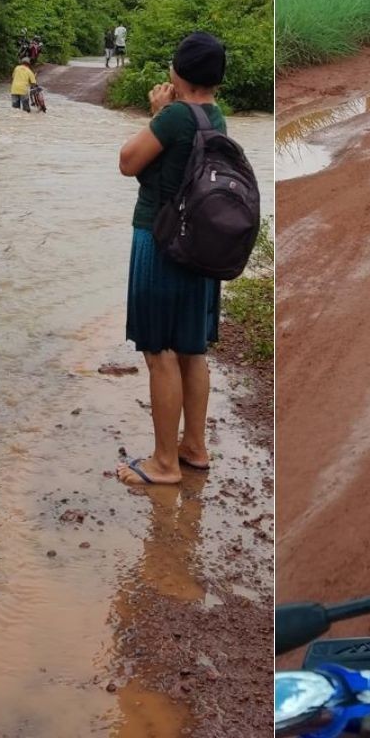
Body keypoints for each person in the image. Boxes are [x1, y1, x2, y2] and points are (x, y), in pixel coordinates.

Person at [113, 31, 229, 488]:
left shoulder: (175, 116)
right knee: (191, 350)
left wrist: (158, 113)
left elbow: (127, 161)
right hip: (199, 244)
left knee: (158, 352)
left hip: (161, 243)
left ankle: (163, 463)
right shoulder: (216, 115)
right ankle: (193, 448)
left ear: (175, 72)